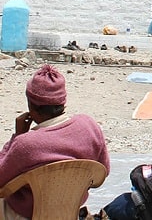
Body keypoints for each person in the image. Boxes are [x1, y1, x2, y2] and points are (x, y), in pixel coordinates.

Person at [0, 65, 110, 219]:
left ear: (31, 107)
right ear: (63, 101)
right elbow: (102, 172)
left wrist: (17, 136)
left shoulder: (25, 144)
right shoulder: (89, 125)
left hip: (27, 215)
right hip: (70, 211)